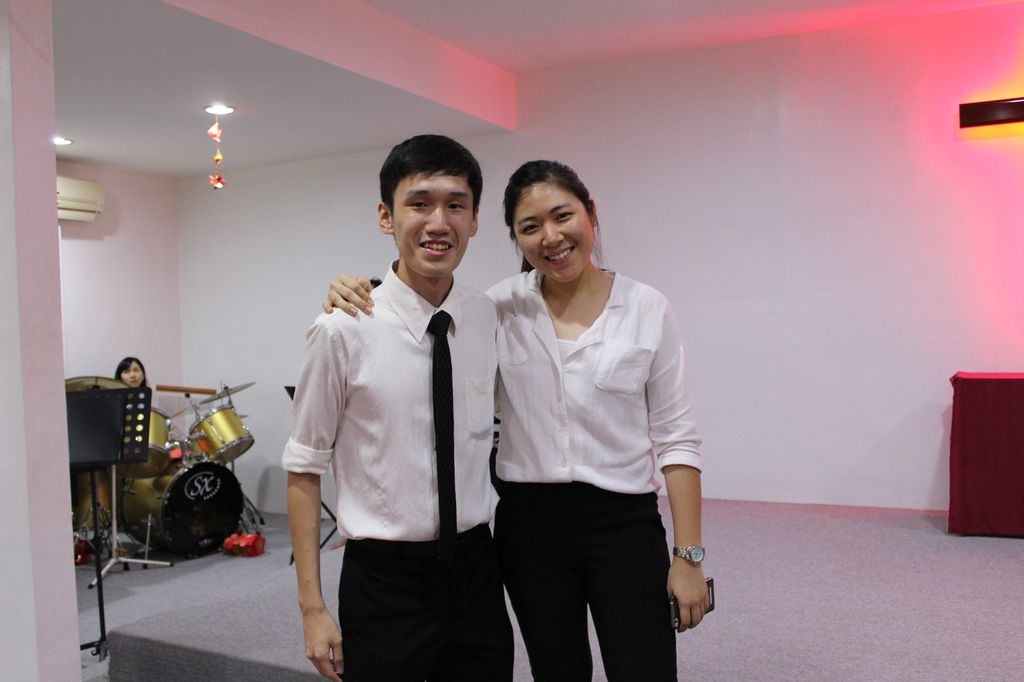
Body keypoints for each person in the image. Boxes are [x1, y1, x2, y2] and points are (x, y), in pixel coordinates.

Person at [326, 159, 708, 682]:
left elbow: (677, 438)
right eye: (530, 227)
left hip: (624, 527)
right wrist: (356, 287)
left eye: (563, 216)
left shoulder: (646, 307)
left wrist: (688, 556)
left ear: (591, 213)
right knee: (557, 671)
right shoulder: (496, 308)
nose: (551, 237)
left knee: (646, 669)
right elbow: (420, 325)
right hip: (530, 531)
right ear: (515, 237)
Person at [283, 134, 513, 682]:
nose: (439, 222)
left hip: (477, 570)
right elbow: (304, 466)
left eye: (455, 205)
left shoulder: (485, 316)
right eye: (419, 203)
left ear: (474, 219)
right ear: (386, 216)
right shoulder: (342, 329)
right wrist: (312, 609)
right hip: (385, 581)